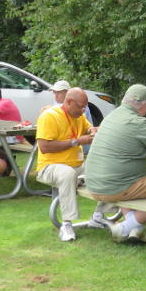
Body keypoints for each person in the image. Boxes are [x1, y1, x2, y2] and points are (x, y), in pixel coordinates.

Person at [84, 84, 146, 244]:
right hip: (115, 186)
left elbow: (132, 136)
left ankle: (136, 228)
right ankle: (125, 227)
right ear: (144, 104)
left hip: (94, 182)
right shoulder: (138, 122)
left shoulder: (112, 116)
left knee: (134, 190)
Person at [35, 87, 96, 242]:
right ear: (69, 102)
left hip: (77, 166)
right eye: (81, 106)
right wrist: (76, 141)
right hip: (50, 167)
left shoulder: (78, 116)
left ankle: (101, 214)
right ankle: (67, 224)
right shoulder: (49, 116)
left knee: (102, 167)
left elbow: (88, 127)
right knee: (67, 173)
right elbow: (45, 147)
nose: (83, 111)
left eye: (85, 107)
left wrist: (92, 130)